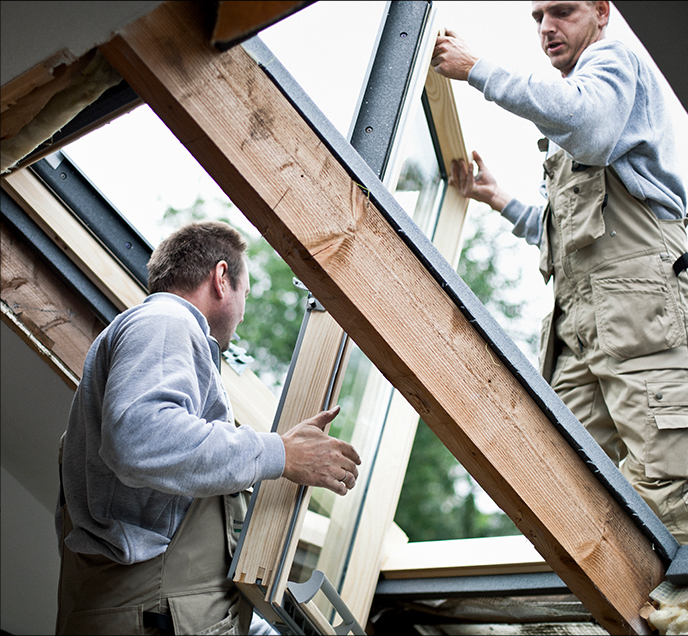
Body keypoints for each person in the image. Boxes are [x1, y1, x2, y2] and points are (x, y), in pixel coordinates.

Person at [431, 1, 687, 543]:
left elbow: (587, 124)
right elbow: (569, 232)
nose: (547, 27)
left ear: (600, 11)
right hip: (582, 329)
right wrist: (499, 199)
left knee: (669, 481)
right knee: (562, 479)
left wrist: (476, 69)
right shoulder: (576, 103)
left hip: (640, 317)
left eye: (563, 11)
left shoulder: (613, 63)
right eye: (538, 16)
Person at [55, 221, 362, 634]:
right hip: (150, 616)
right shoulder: (165, 321)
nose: (244, 312)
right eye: (246, 294)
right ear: (221, 278)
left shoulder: (157, 333)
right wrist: (282, 454)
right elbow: (142, 439)